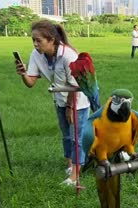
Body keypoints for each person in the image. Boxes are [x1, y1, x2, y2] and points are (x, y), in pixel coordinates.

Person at [14, 19, 90, 186]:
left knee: (76, 137)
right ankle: (70, 167)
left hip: (78, 100)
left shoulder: (68, 55)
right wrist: (23, 73)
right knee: (66, 135)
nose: (35, 44)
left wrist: (70, 107)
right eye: (33, 40)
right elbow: (31, 82)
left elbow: (75, 85)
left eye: (38, 40)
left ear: (51, 40)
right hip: (60, 99)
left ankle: (76, 176)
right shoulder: (36, 55)